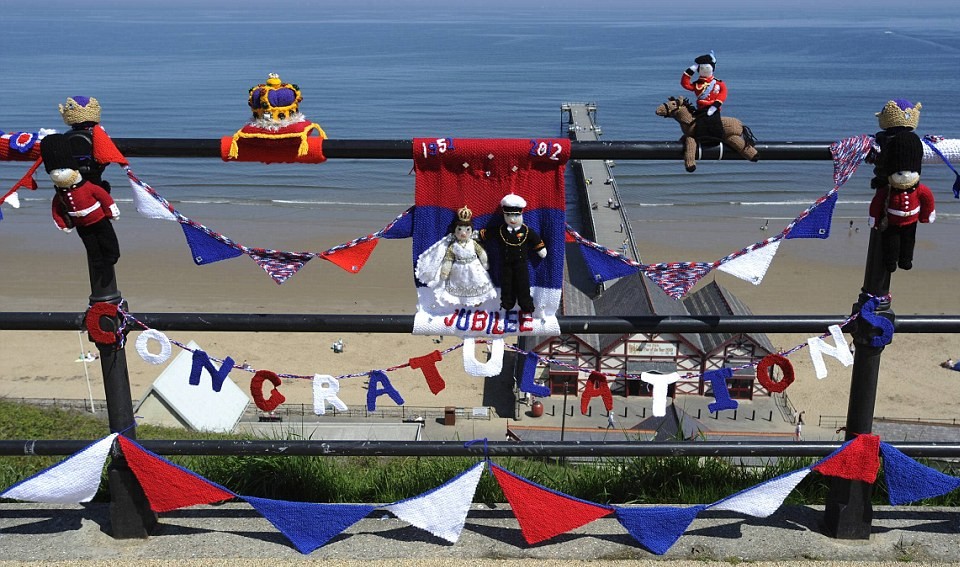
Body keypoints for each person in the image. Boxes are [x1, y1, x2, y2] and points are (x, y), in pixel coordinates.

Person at [416, 205, 497, 308]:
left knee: (476, 282)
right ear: (455, 231)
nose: (463, 233)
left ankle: (477, 300)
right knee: (461, 284)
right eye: (459, 229)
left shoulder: (473, 243)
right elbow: (448, 259)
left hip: (474, 267)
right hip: (459, 268)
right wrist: (445, 271)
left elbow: (481, 253)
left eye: (467, 230)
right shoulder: (453, 246)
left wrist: (485, 263)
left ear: (471, 230)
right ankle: (461, 300)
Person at [478, 194, 547, 313]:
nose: (512, 219)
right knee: (506, 283)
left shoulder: (526, 231)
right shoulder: (500, 231)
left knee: (523, 284)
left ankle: (526, 305)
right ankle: (507, 303)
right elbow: (488, 233)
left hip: (521, 264)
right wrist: (477, 235)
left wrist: (540, 249)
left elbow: (535, 240)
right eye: (508, 215)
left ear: (521, 214)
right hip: (506, 264)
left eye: (516, 215)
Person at [681, 50, 727, 141]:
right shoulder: (697, 84)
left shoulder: (718, 83)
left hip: (713, 108)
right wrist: (691, 70)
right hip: (701, 108)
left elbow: (723, 94)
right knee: (700, 123)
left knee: (715, 122)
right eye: (702, 68)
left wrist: (715, 106)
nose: (705, 70)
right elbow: (685, 84)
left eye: (707, 68)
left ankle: (717, 138)